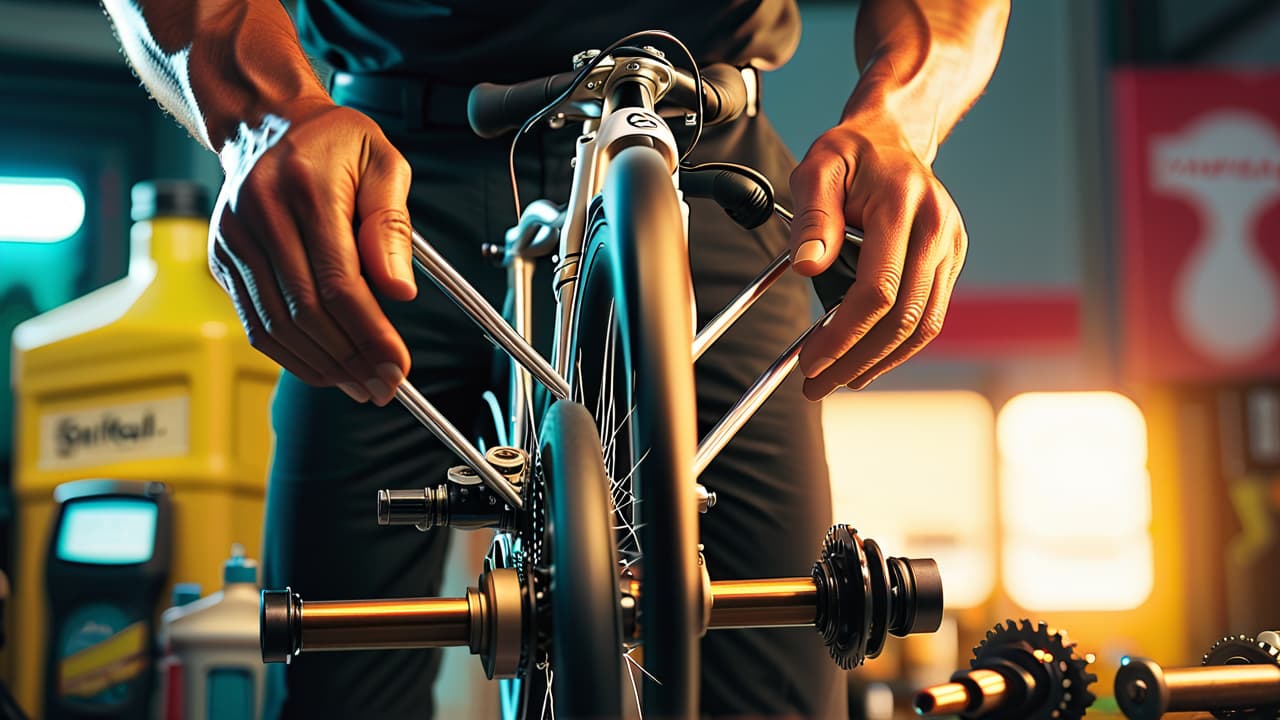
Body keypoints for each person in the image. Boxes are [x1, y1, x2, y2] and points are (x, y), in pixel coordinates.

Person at [101, 1, 1009, 717]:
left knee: (775, 676)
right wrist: (259, 117)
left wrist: (900, 118)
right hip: (383, 156)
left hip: (703, 145)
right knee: (338, 673)